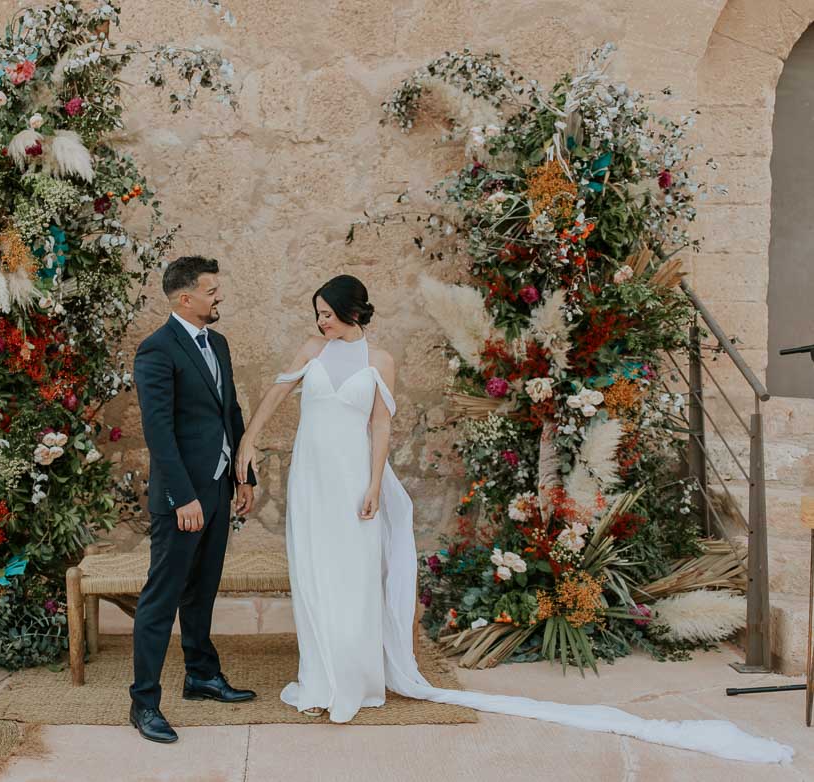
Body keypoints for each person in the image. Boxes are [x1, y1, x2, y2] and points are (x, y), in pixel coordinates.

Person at [233, 274, 792, 763]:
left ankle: (352, 682)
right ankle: (319, 681)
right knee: (314, 572)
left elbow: (380, 426)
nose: (321, 323)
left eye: (328, 315)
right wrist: (249, 446)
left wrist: (376, 482)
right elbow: (275, 399)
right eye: (318, 316)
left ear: (353, 313)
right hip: (312, 478)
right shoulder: (311, 349)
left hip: (354, 478)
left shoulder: (380, 361)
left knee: (353, 577)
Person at [129, 255, 257, 744]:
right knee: (161, 599)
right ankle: (144, 703)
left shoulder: (217, 343)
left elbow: (231, 411)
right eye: (211, 290)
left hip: (221, 488)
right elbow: (158, 432)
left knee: (202, 591)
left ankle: (201, 675)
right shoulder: (156, 350)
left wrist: (244, 478)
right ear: (185, 298)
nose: (217, 296)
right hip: (181, 497)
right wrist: (183, 497)